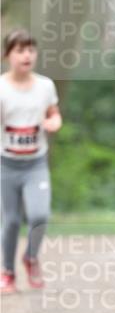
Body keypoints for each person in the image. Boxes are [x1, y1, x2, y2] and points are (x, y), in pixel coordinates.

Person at [1, 29, 61, 295]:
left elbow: (54, 113)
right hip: (6, 164)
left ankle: (31, 257)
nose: (26, 55)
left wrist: (52, 122)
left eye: (30, 50)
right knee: (11, 220)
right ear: (7, 55)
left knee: (40, 215)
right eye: (20, 50)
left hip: (35, 164)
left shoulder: (45, 85)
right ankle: (8, 273)